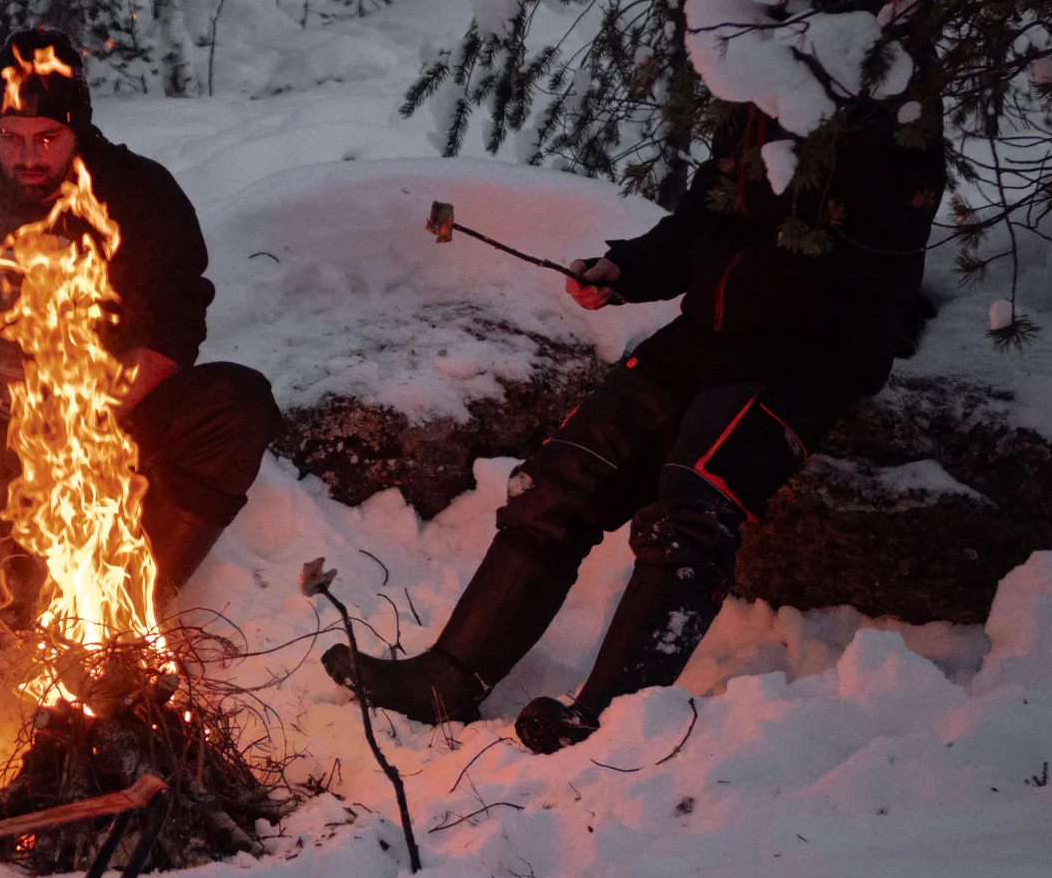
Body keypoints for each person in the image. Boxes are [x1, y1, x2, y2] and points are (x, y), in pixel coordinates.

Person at [322, 97, 946, 753]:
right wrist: (628, 269)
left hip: (808, 353)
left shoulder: (887, 104)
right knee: (559, 480)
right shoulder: (761, 87)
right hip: (710, 332)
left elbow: (863, 260)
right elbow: (701, 221)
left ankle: (609, 723)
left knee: (691, 507)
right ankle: (447, 679)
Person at [0, 28, 280, 612]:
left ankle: (126, 602)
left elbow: (178, 326)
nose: (26, 156)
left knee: (239, 402)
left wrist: (95, 406)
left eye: (47, 137)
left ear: (79, 130)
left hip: (117, 431)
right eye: (9, 137)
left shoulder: (141, 195)